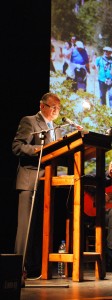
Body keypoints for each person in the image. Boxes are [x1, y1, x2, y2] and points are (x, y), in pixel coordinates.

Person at [12, 92, 63, 285]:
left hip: (48, 183)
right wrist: (36, 150)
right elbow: (17, 146)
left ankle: (34, 268)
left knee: (42, 229)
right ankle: (17, 271)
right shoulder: (30, 121)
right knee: (25, 229)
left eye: (58, 108)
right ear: (42, 106)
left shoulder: (57, 128)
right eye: (53, 107)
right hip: (30, 179)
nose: (56, 111)